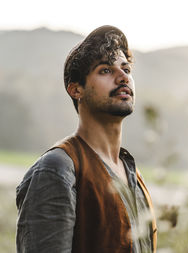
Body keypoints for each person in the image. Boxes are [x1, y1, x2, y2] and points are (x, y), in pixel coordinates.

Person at [16, 25, 157, 253]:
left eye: (126, 69)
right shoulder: (56, 169)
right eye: (105, 70)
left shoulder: (132, 172)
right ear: (76, 90)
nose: (123, 77)